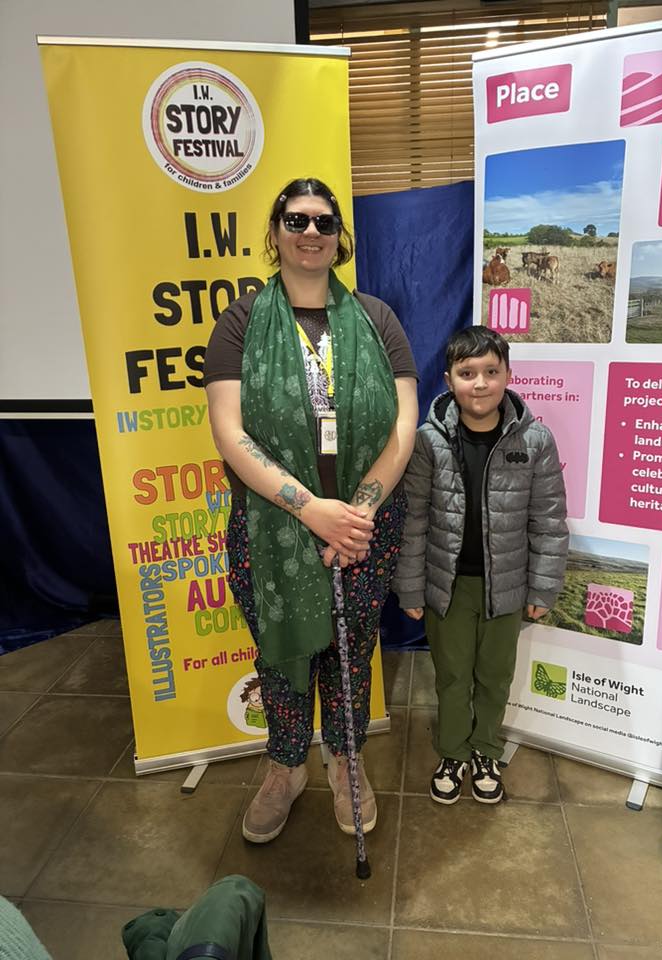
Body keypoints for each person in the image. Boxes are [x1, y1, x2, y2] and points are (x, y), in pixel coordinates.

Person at [204, 178, 418, 842]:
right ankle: (286, 766)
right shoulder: (240, 322)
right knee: (281, 650)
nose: (310, 232)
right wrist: (309, 510)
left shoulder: (378, 320)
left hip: (365, 526)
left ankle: (345, 761)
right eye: (295, 220)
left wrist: (353, 515)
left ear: (339, 239)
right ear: (274, 234)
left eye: (324, 222)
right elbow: (229, 431)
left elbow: (403, 425)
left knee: (351, 650)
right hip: (270, 524)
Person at [392, 326, 568, 805]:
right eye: (467, 373)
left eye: (492, 371)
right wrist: (410, 590)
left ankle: (486, 749)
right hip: (447, 588)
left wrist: (542, 590)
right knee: (452, 676)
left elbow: (548, 519)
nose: (481, 383)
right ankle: (453, 751)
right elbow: (413, 521)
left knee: (494, 675)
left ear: (508, 375)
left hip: (506, 589)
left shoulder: (535, 440)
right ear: (449, 379)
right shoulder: (428, 441)